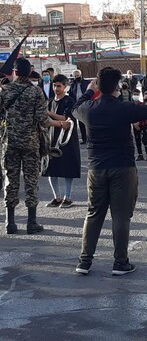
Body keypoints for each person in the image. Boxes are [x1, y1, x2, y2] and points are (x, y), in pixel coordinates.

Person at [72, 66, 147, 276]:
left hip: (96, 167)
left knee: (93, 213)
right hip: (122, 166)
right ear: (117, 86)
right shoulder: (123, 107)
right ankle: (120, 262)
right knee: (120, 215)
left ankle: (85, 261)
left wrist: (89, 91)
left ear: (98, 85)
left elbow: (74, 107)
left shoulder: (89, 108)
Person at [1, 58, 64, 234]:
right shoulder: (36, 92)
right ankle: (31, 222)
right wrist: (60, 124)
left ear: (14, 72)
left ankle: (10, 223)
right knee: (31, 181)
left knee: (10, 181)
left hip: (10, 143)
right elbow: (43, 120)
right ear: (29, 72)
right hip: (30, 143)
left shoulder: (4, 90)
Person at [43, 74, 81, 208]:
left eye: (59, 86)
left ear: (65, 87)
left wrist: (48, 114)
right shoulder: (50, 102)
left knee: (67, 169)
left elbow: (65, 118)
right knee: (51, 169)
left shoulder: (69, 101)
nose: (56, 88)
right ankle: (57, 197)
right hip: (52, 139)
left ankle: (68, 197)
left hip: (67, 140)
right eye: (54, 85)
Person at [68, 69, 90, 144]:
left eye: (78, 75)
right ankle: (84, 139)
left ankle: (89, 138)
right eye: (75, 76)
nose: (77, 77)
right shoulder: (73, 85)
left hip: (86, 104)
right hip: (77, 105)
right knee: (80, 123)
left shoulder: (86, 83)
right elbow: (71, 95)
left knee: (87, 122)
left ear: (81, 75)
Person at [133, 89, 147, 161]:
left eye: (137, 94)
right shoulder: (131, 105)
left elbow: (144, 115)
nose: (135, 96)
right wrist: (134, 123)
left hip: (144, 124)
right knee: (137, 140)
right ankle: (140, 155)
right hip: (135, 125)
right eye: (134, 94)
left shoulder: (143, 105)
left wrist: (139, 122)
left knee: (145, 139)